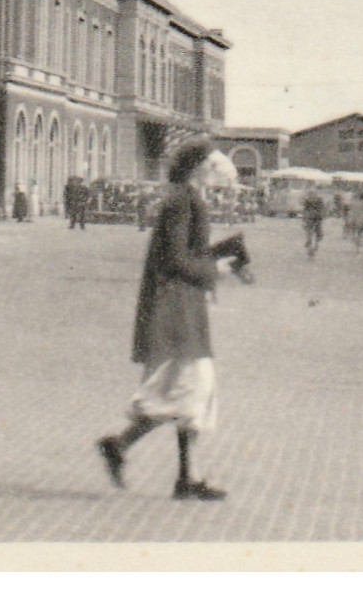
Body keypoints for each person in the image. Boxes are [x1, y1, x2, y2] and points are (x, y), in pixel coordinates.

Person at [96, 140, 229, 502]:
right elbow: (175, 259)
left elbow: (183, 254)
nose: (215, 170)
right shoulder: (183, 202)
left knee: (185, 394)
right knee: (188, 392)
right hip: (176, 311)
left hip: (182, 309)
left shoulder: (185, 199)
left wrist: (213, 260)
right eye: (211, 164)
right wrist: (213, 267)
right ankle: (123, 447)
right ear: (196, 167)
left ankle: (184, 475)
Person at [301, 189, 326, 259]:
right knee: (315, 234)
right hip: (315, 219)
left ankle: (311, 246)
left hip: (312, 219)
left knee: (310, 233)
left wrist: (304, 219)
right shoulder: (318, 201)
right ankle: (313, 246)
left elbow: (305, 211)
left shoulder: (308, 201)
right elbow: (322, 210)